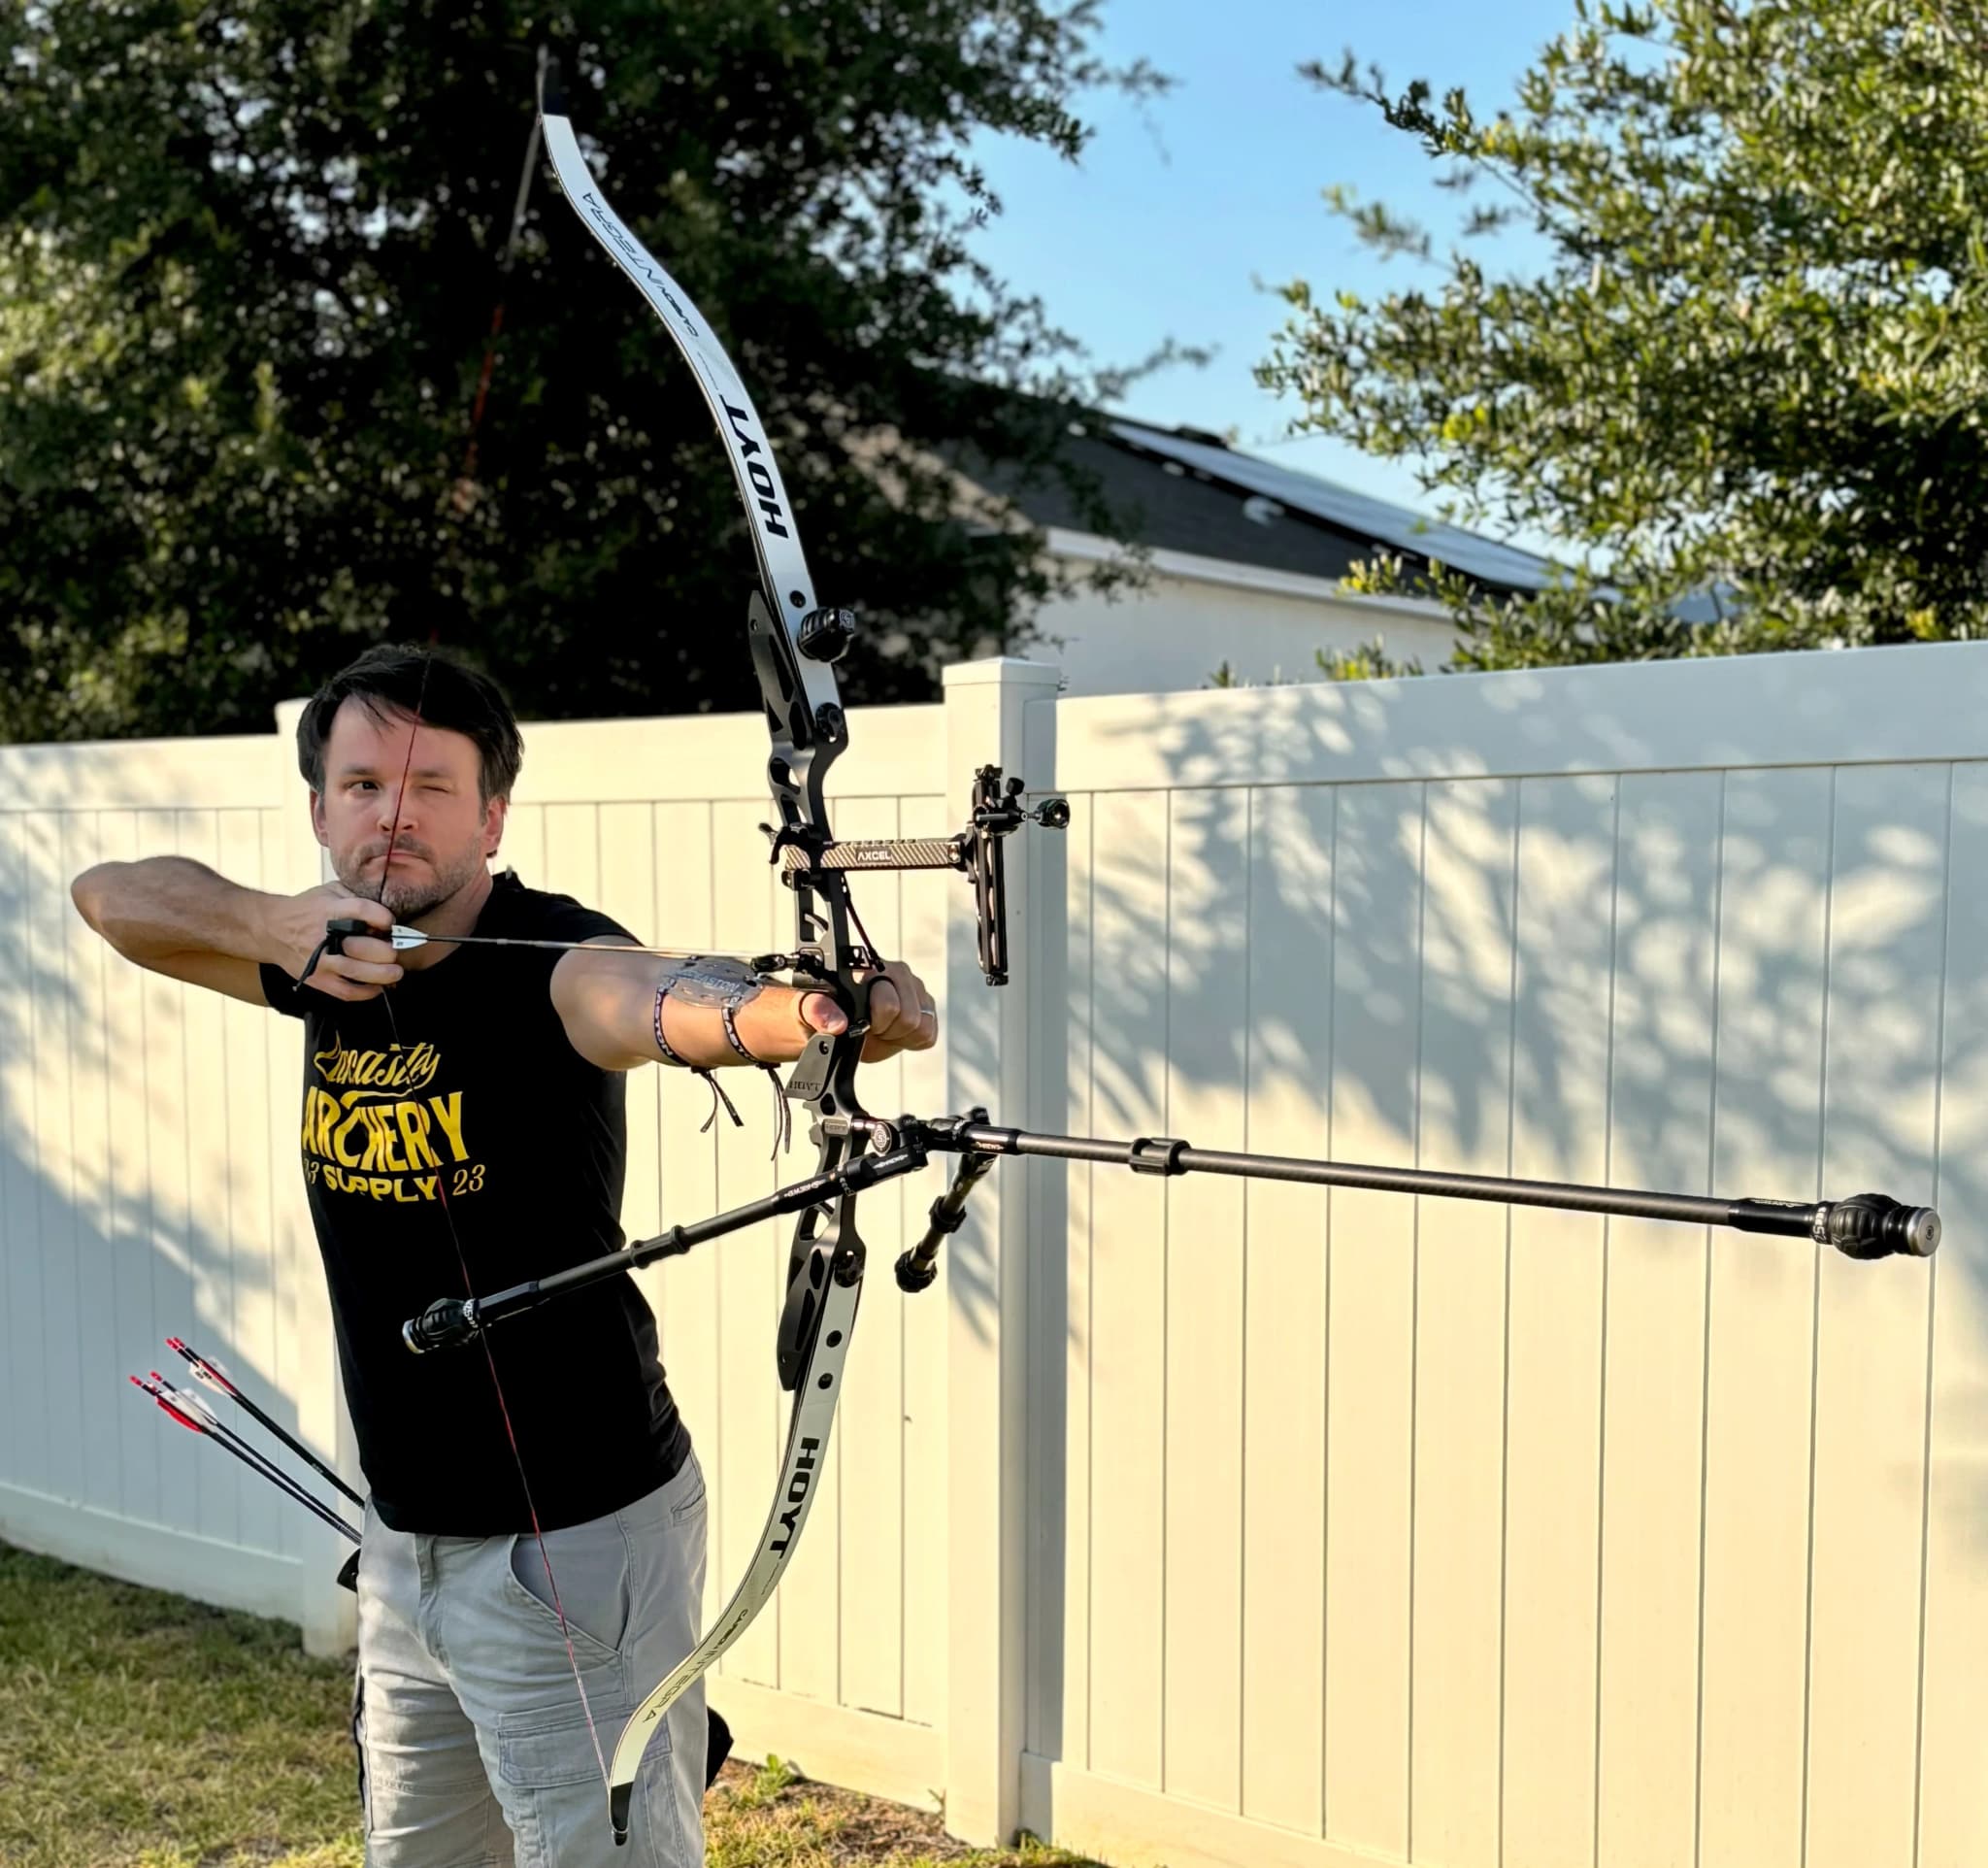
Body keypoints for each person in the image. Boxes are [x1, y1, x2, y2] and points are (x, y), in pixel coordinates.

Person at [70, 643, 939, 1867]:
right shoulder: (325, 954)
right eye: (363, 785)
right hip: (403, 1539)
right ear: (320, 809)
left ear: (491, 814)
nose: (393, 815)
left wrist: (801, 1016)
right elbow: (110, 896)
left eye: (431, 787)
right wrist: (273, 922)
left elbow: (653, 996)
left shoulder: (553, 957)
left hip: (573, 1547)